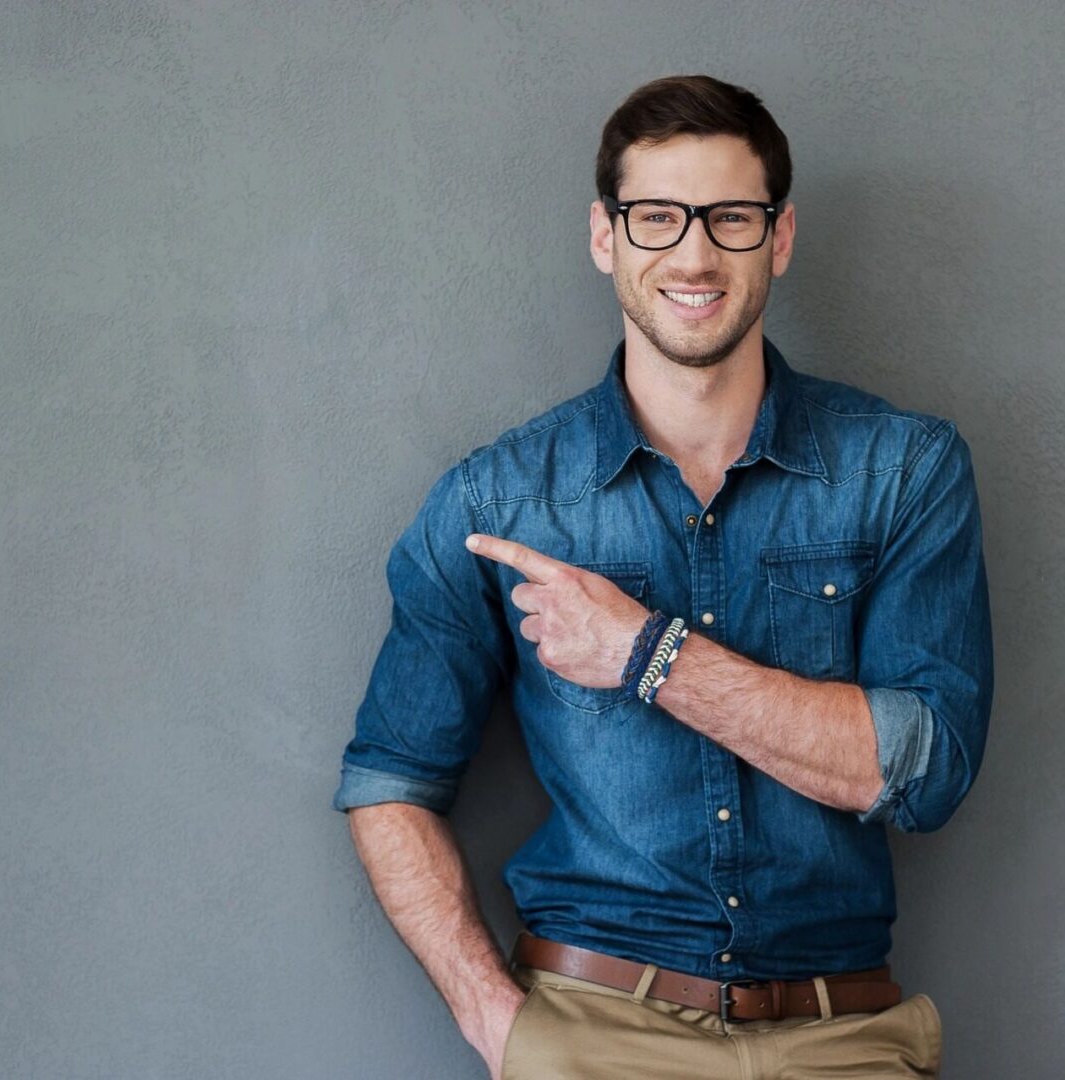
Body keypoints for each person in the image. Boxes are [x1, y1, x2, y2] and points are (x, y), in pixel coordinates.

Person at [331, 73, 992, 1079]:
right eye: (656, 217)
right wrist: (495, 1022)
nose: (692, 253)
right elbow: (389, 781)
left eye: (730, 217)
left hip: (844, 1037)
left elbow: (922, 768)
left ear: (779, 237)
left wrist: (648, 653)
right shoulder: (496, 501)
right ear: (606, 238)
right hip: (592, 1031)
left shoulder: (902, 469)